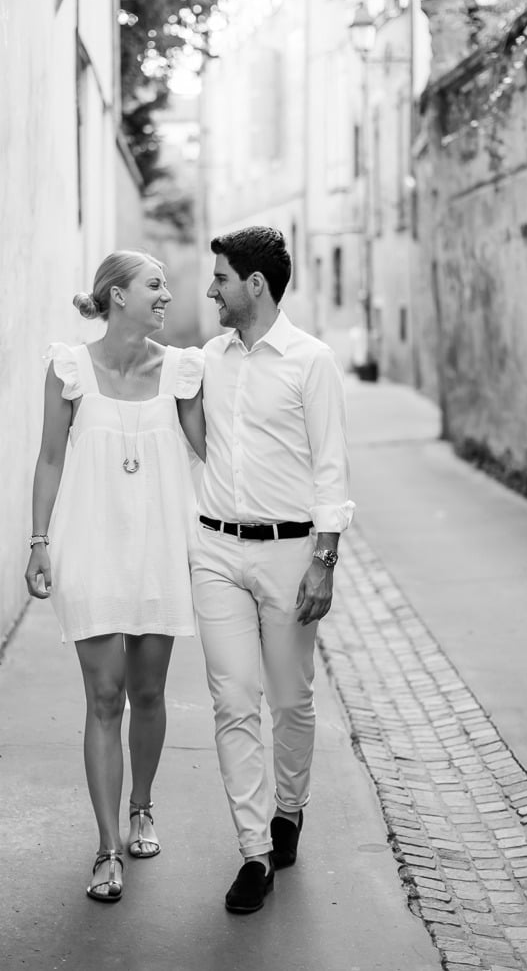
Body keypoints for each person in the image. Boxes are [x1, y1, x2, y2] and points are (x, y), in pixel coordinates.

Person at [23, 251, 205, 903]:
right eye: (155, 285)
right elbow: (48, 460)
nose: (167, 295)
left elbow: (214, 455)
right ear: (118, 295)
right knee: (105, 697)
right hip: (91, 547)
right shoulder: (68, 369)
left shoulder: (184, 371)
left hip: (161, 550)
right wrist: (39, 543)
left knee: (149, 694)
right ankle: (106, 847)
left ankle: (143, 806)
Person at [192, 226, 353, 914]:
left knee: (290, 699)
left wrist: (324, 561)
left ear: (255, 284)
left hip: (291, 554)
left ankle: (291, 809)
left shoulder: (311, 361)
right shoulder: (208, 359)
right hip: (215, 552)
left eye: (221, 278)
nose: (211, 290)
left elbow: (330, 467)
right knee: (233, 702)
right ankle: (254, 852)